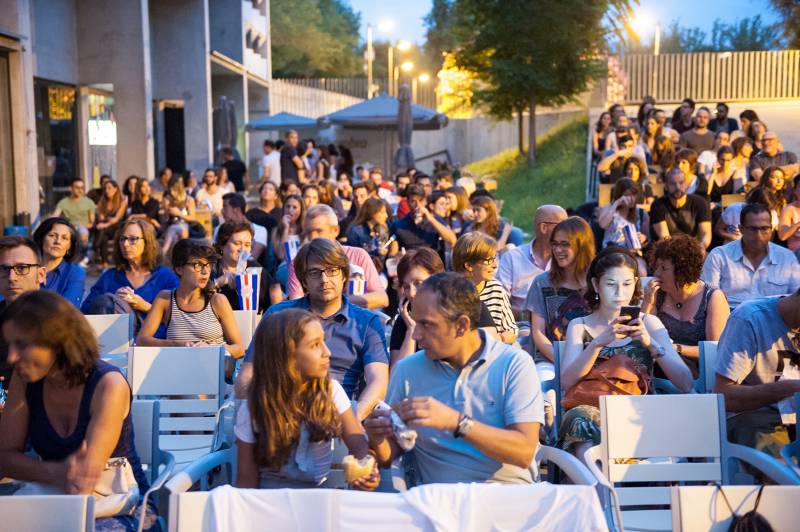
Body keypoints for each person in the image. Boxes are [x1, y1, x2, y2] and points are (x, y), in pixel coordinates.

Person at [364, 272, 544, 485]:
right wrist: (377, 439)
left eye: (426, 324)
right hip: (438, 504)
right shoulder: (407, 370)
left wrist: (456, 422)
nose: (415, 335)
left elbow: (523, 452)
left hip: (507, 500)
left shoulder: (514, 364)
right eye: (415, 323)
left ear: (462, 325)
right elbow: (389, 455)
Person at [0, 291, 157, 530]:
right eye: (8, 345)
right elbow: (5, 458)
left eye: (21, 344)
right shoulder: (25, 382)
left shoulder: (108, 385)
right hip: (56, 501)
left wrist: (43, 471)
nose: (11, 357)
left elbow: (83, 481)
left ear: (57, 340)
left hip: (121, 507)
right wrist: (55, 472)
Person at [558, 248, 694, 454]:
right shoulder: (580, 325)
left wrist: (651, 344)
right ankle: (597, 486)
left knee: (669, 421)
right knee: (581, 421)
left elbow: (685, 381)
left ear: (636, 284)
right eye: (610, 284)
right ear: (596, 285)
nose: (619, 293)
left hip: (638, 409)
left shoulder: (649, 323)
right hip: (592, 407)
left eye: (627, 284)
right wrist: (597, 344)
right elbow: (567, 381)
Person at [237, 239, 389, 420]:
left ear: (344, 275)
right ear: (304, 281)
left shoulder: (367, 322)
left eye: (332, 271)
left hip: (340, 416)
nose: (324, 279)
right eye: (315, 273)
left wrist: (352, 419)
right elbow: (245, 378)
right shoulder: (278, 315)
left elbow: (378, 381)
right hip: (283, 415)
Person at [234, 309, 379, 490]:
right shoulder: (253, 407)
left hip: (316, 498)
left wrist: (366, 470)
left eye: (323, 342)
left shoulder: (331, 392)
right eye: (315, 345)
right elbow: (246, 481)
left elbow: (359, 447)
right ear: (286, 356)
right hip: (269, 498)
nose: (327, 352)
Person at [713, 288, 800, 458]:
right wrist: (789, 389)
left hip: (793, 421)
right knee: (783, 466)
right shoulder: (750, 319)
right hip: (756, 420)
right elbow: (724, 396)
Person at [136, 239, 244, 357]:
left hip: (211, 371)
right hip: (176, 369)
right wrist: (177, 345)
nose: (205, 271)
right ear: (179, 269)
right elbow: (141, 341)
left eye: (208, 265)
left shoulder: (217, 300)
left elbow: (239, 349)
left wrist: (211, 349)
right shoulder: (165, 299)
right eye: (197, 265)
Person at [641, 235, 730, 375]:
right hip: (659, 364)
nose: (657, 273)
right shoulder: (657, 293)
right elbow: (643, 335)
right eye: (656, 266)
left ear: (682, 270)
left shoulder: (712, 297)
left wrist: (675, 349)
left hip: (700, 370)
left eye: (663, 268)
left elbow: (715, 349)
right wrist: (647, 302)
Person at [525, 217, 596, 383]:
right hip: (551, 359)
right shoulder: (542, 282)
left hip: (592, 358)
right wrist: (564, 362)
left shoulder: (597, 282)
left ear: (581, 246)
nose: (557, 249)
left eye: (565, 244)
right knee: (546, 387)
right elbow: (538, 332)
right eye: (555, 244)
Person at [82, 220, 180, 335]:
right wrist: (115, 302)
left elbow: (179, 318)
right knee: (106, 300)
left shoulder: (165, 277)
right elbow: (86, 309)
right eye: (122, 239)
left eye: (133, 239)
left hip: (152, 345)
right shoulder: (110, 276)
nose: (125, 244)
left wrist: (145, 306)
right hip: (115, 343)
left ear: (147, 242)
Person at [287, 205, 388, 310]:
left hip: (355, 322)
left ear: (335, 230)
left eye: (319, 231)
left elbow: (382, 299)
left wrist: (337, 302)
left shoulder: (358, 255)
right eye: (309, 232)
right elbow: (296, 308)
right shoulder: (298, 262)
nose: (313, 237)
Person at [701, 203, 800, 309]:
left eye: (764, 228)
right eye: (753, 229)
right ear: (741, 229)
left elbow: (796, 300)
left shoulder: (787, 259)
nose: (759, 235)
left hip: (774, 321)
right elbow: (708, 300)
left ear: (771, 229)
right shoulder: (719, 256)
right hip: (731, 321)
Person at [497, 206, 567, 317]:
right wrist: (527, 316)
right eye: (562, 225)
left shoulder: (567, 259)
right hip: (522, 324)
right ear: (543, 227)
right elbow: (498, 303)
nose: (568, 230)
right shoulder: (512, 258)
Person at [453, 232, 518, 343]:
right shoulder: (449, 293)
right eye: (489, 260)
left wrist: (499, 339)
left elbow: (511, 329)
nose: (495, 265)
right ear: (468, 265)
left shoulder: (495, 288)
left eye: (495, 258)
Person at [0, 237, 46, 389]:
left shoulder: (58, 322)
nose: (12, 278)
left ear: (41, 275)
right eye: (5, 269)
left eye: (22, 268)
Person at [213, 221, 276, 314]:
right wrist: (219, 282)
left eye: (247, 245)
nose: (242, 249)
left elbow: (275, 293)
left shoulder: (255, 269)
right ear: (222, 245)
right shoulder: (211, 268)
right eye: (237, 243)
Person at [649, 168, 712, 249]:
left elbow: (706, 234)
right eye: (672, 184)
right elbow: (664, 237)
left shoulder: (700, 203)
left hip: (694, 249)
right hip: (668, 250)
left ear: (686, 184)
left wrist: (701, 248)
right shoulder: (657, 205)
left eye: (681, 183)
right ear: (666, 186)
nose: (677, 187)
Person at [32, 217, 85, 308]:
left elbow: (68, 309)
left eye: (64, 238)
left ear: (69, 246)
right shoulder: (26, 267)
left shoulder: (76, 272)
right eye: (52, 235)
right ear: (41, 239)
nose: (58, 241)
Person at [391, 184, 457, 253]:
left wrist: (430, 219)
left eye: (421, 201)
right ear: (408, 202)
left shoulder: (436, 220)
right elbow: (392, 254)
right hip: (410, 260)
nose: (417, 205)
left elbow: (452, 240)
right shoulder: (398, 225)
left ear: (425, 202)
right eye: (413, 201)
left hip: (431, 260)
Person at [597, 178, 650, 253]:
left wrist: (643, 238)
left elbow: (648, 237)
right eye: (627, 195)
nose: (631, 199)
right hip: (611, 253)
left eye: (634, 195)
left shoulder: (641, 213)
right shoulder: (609, 208)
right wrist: (616, 203)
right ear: (619, 195)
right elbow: (602, 224)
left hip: (632, 254)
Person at [219, 193, 268, 263]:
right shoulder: (219, 230)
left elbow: (252, 258)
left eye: (225, 207)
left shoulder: (260, 230)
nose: (222, 211)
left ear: (237, 210)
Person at [53, 177, 95, 253]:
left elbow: (92, 223)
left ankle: (83, 257)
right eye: (77, 187)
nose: (80, 190)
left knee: (83, 233)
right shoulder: (63, 202)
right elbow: (55, 216)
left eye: (82, 188)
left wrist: (79, 226)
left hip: (82, 227)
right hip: (68, 226)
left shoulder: (89, 202)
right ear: (71, 188)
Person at [94, 179, 128, 267]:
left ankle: (95, 248)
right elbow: (100, 216)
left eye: (109, 188)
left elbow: (116, 219)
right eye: (105, 188)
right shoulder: (102, 201)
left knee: (102, 230)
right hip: (106, 229)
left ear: (115, 189)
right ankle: (104, 262)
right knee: (104, 237)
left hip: (118, 228)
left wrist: (105, 223)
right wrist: (107, 220)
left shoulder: (122, 200)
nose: (107, 190)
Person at [161, 175, 197, 256]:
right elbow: (165, 218)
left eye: (175, 189)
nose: (172, 192)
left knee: (179, 230)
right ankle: (177, 257)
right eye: (172, 189)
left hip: (185, 225)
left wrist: (179, 214)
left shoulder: (189, 200)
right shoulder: (168, 199)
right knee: (174, 236)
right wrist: (170, 204)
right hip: (171, 225)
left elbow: (192, 218)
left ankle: (164, 251)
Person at [272, 194, 305, 265]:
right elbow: (281, 255)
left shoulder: (305, 229)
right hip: (284, 267)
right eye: (288, 206)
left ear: (301, 210)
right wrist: (285, 228)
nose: (290, 210)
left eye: (294, 207)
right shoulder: (276, 230)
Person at [779, 174, 800, 257]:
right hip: (796, 252)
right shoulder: (789, 209)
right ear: (795, 190)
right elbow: (783, 236)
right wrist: (797, 225)